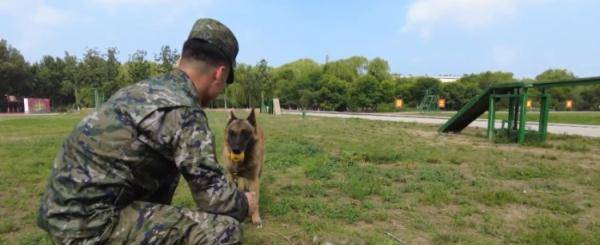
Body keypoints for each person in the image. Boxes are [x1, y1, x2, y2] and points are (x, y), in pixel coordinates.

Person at [37, 18, 257, 244]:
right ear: (220, 73)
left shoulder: (139, 91)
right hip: (91, 227)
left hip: (61, 215)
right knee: (225, 230)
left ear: (182, 59)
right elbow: (214, 198)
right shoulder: (184, 110)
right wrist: (244, 202)